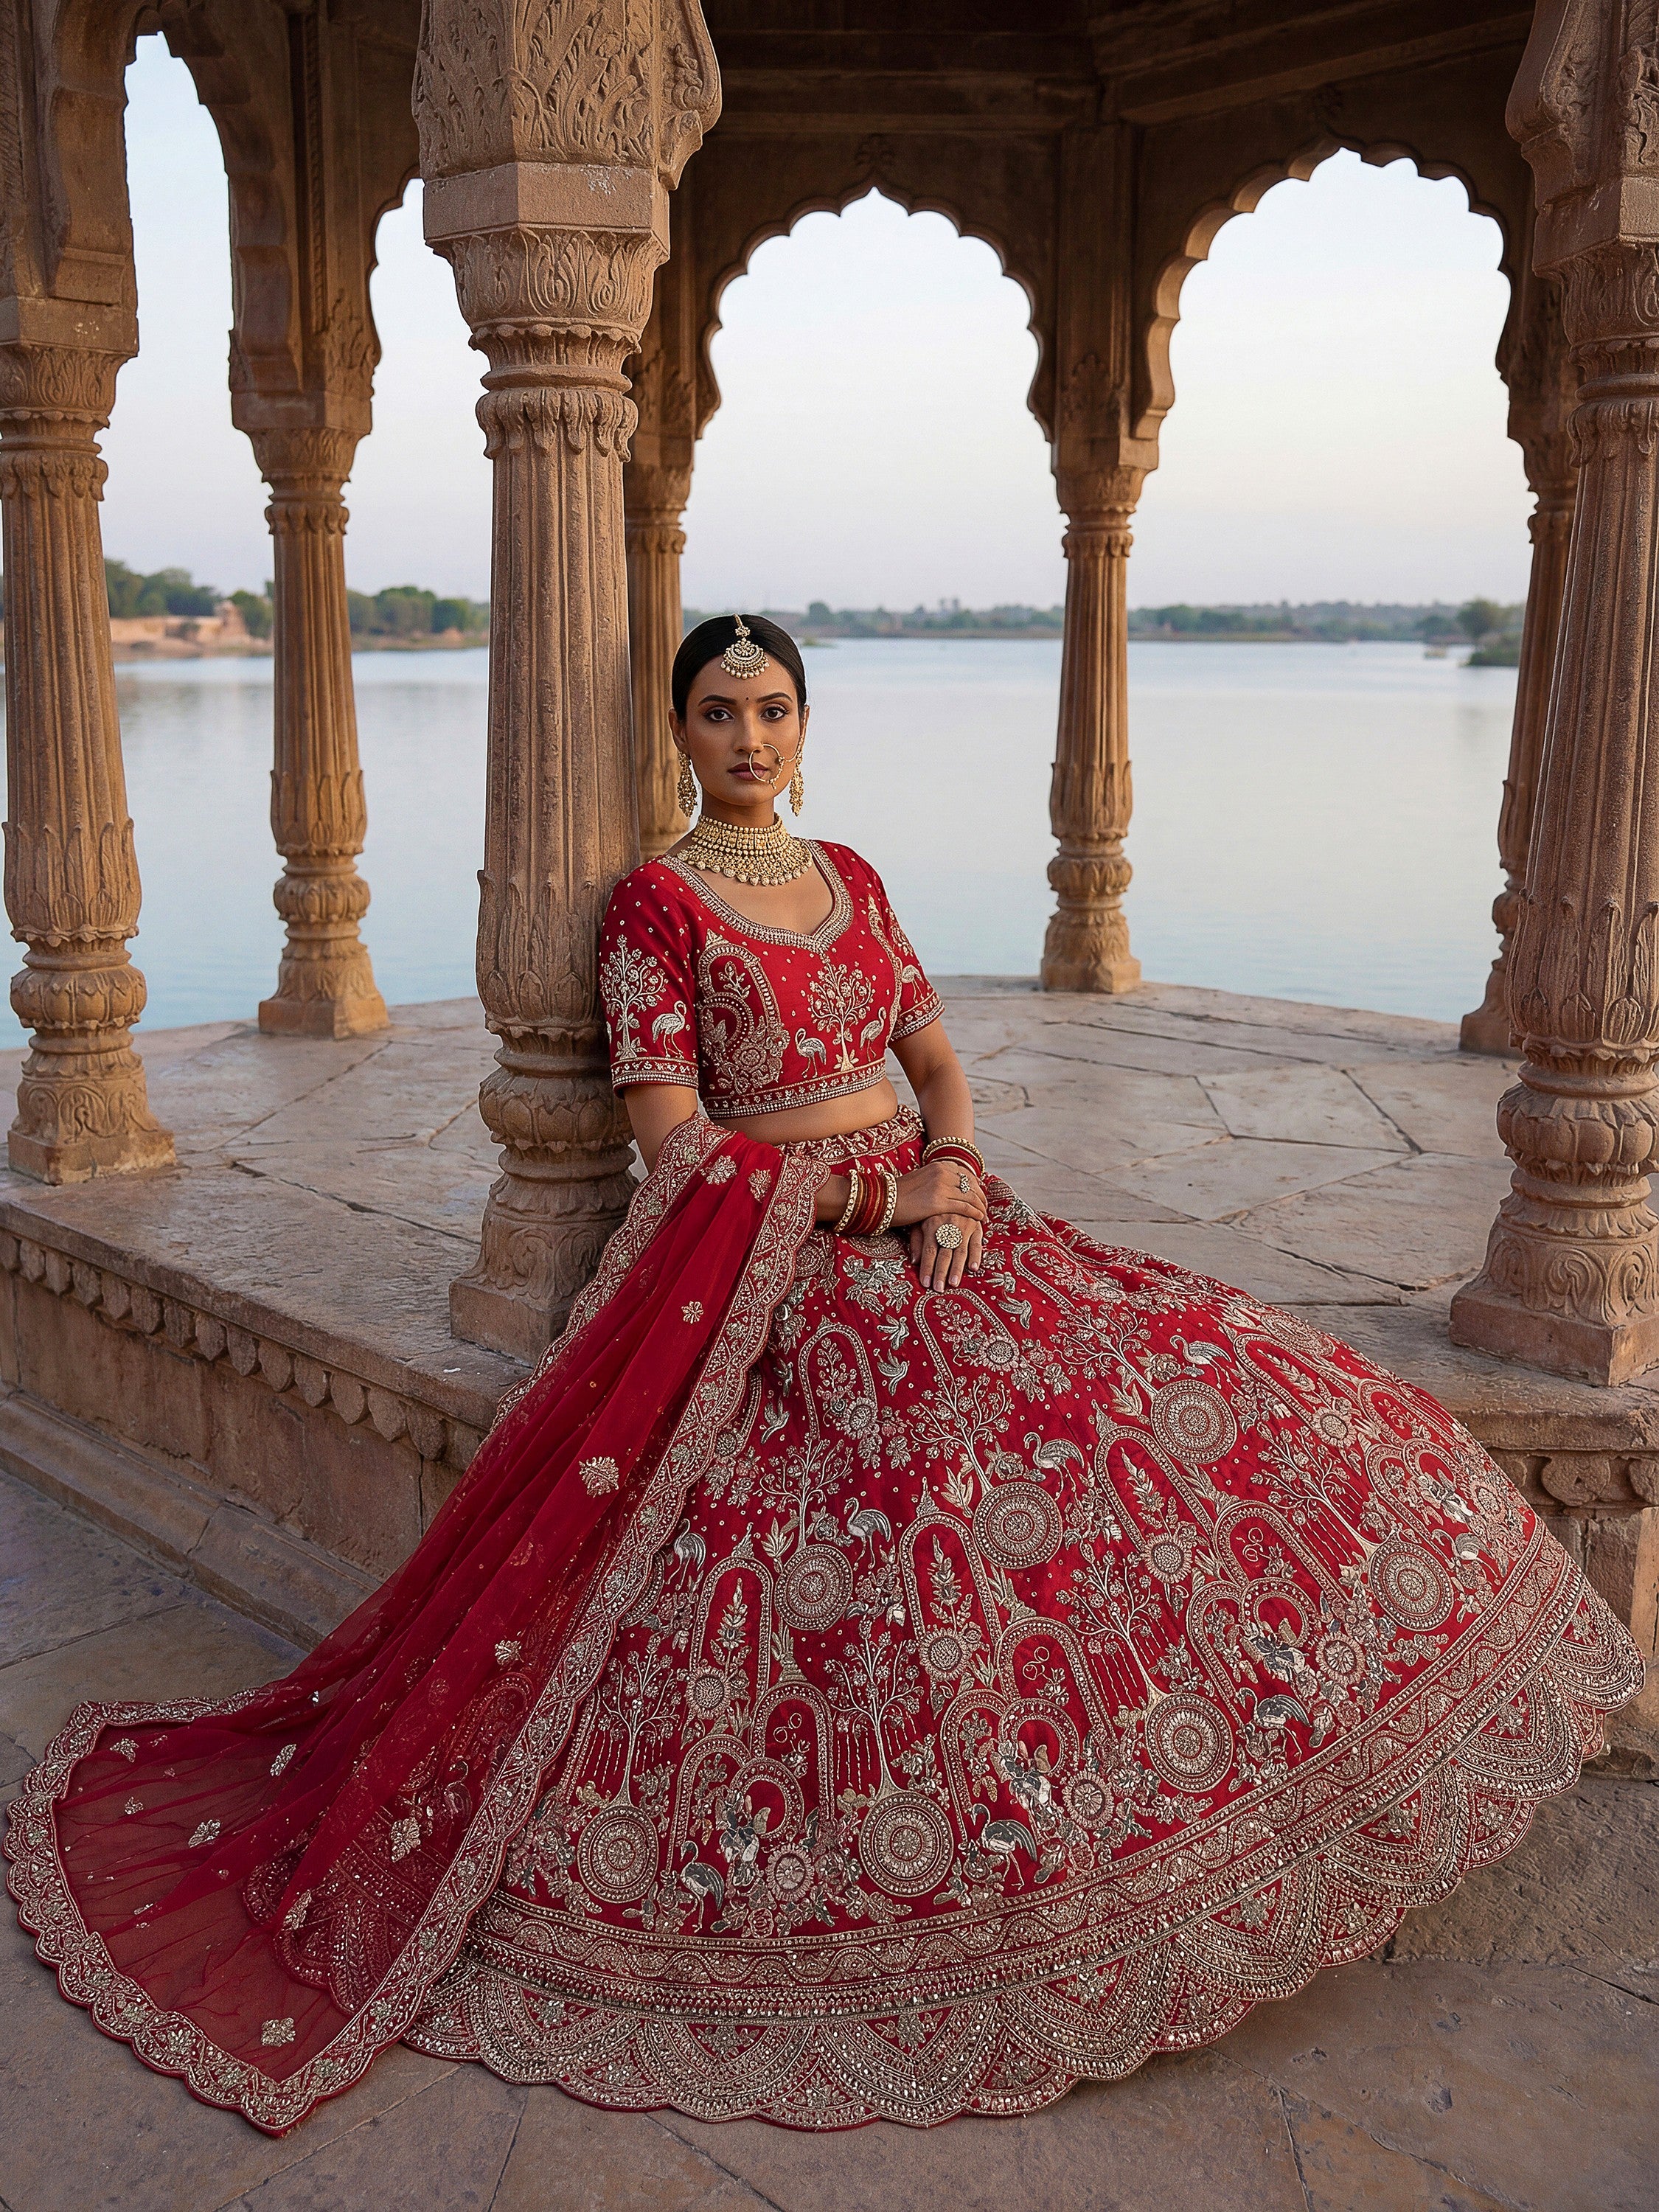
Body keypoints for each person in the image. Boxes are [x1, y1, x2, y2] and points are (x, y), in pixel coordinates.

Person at [7, 614, 1640, 2135]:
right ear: (681, 733)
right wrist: (880, 1202)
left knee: (1193, 1386)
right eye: (719, 713)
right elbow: (672, 1145)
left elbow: (929, 1048)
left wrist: (965, 1165)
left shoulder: (849, 873)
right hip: (785, 1257)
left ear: (803, 723)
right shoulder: (657, 906)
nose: (749, 734)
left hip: (933, 1211)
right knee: (908, 1493)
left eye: (773, 709)